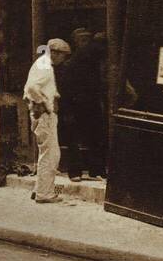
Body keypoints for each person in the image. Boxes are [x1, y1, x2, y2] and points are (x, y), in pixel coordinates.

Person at [23, 38, 70, 204]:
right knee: (50, 154)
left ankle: (39, 189)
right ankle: (45, 193)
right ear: (55, 53)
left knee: (47, 153)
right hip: (44, 115)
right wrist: (43, 103)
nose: (63, 59)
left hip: (41, 114)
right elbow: (31, 88)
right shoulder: (44, 65)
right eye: (63, 55)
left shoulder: (42, 64)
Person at [58, 32, 107, 179]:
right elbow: (64, 89)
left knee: (94, 137)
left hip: (90, 104)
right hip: (74, 104)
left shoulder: (92, 63)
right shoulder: (70, 65)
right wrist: (67, 110)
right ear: (76, 42)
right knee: (74, 140)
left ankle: (95, 170)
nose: (85, 42)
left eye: (87, 39)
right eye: (82, 39)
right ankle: (76, 171)